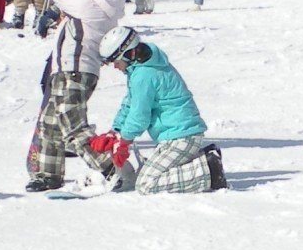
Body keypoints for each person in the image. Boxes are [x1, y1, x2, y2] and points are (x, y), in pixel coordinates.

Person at [24, 0, 126, 191]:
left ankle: (110, 165)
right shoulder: (100, 4)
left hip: (75, 71)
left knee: (72, 125)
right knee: (50, 123)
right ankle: (47, 174)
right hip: (69, 70)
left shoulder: (91, 6)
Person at [86, 26, 226, 193]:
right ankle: (202, 160)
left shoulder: (144, 75)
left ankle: (209, 170)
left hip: (182, 137)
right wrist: (115, 131)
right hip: (177, 136)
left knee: (146, 185)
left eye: (116, 62)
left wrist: (124, 141)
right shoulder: (142, 67)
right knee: (146, 178)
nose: (115, 67)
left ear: (128, 54)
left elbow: (139, 117)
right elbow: (129, 104)